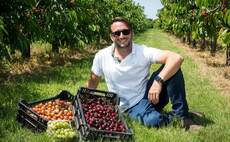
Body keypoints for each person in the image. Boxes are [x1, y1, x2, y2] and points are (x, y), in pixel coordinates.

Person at [86, 17, 189, 127]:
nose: (122, 36)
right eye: (117, 33)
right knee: (154, 121)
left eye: (125, 32)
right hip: (130, 106)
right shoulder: (101, 56)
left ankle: (181, 116)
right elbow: (93, 82)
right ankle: (168, 119)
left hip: (149, 95)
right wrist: (83, 101)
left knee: (173, 67)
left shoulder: (143, 52)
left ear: (131, 33)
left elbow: (177, 58)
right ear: (112, 37)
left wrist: (158, 82)